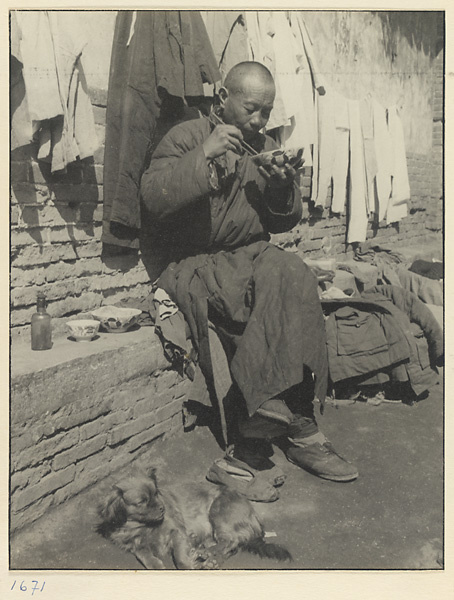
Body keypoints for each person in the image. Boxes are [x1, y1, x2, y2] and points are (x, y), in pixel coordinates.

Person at [140, 61, 358, 501]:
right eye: (252, 108)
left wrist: (282, 187)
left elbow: (283, 221)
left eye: (267, 111)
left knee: (293, 271)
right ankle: (274, 421)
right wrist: (206, 153)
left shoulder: (265, 147)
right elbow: (153, 197)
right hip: (195, 262)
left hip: (251, 255)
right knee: (253, 292)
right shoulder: (185, 136)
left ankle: (294, 422)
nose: (259, 120)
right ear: (223, 99)